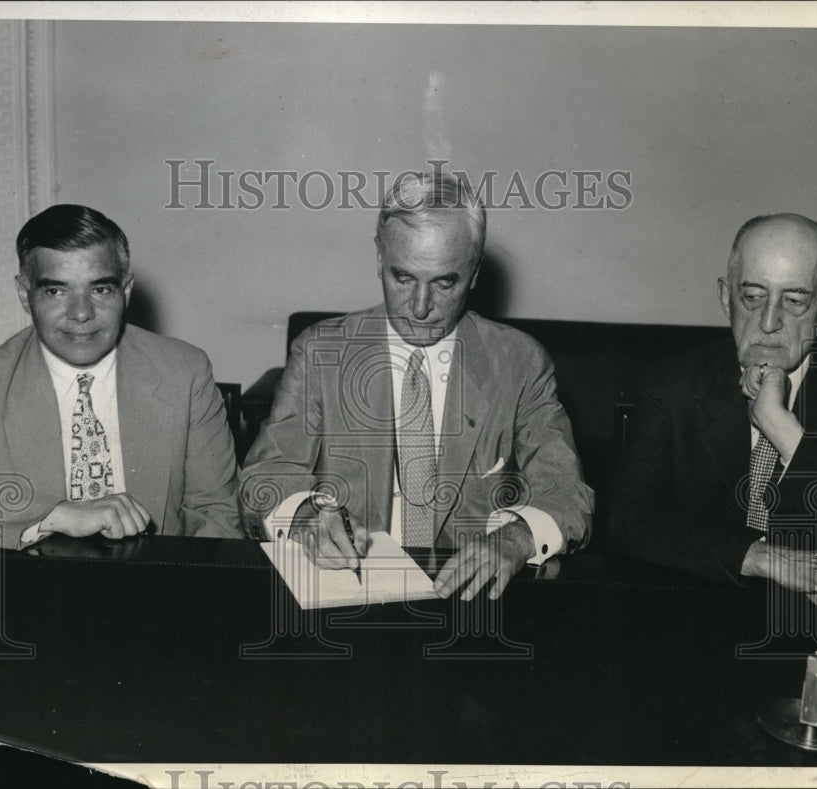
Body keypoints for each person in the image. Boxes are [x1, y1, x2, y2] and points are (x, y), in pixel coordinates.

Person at [240, 172, 593, 600]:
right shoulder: (319, 353)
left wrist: (515, 539)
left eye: (445, 282)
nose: (420, 309)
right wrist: (302, 517)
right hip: (349, 599)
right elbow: (264, 477)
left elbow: (568, 492)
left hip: (470, 598)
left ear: (475, 273)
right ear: (378, 259)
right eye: (402, 278)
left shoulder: (519, 362)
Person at [0, 204, 241, 547]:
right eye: (56, 290)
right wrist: (53, 512)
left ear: (125, 292)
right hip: (33, 590)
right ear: (25, 295)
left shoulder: (184, 371)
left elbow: (218, 514)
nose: (81, 313)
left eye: (100, 289)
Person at [612, 213, 817, 606]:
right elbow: (630, 521)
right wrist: (763, 559)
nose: (769, 321)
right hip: (696, 620)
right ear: (727, 298)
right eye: (753, 297)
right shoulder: (670, 383)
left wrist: (782, 430)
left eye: (794, 301)